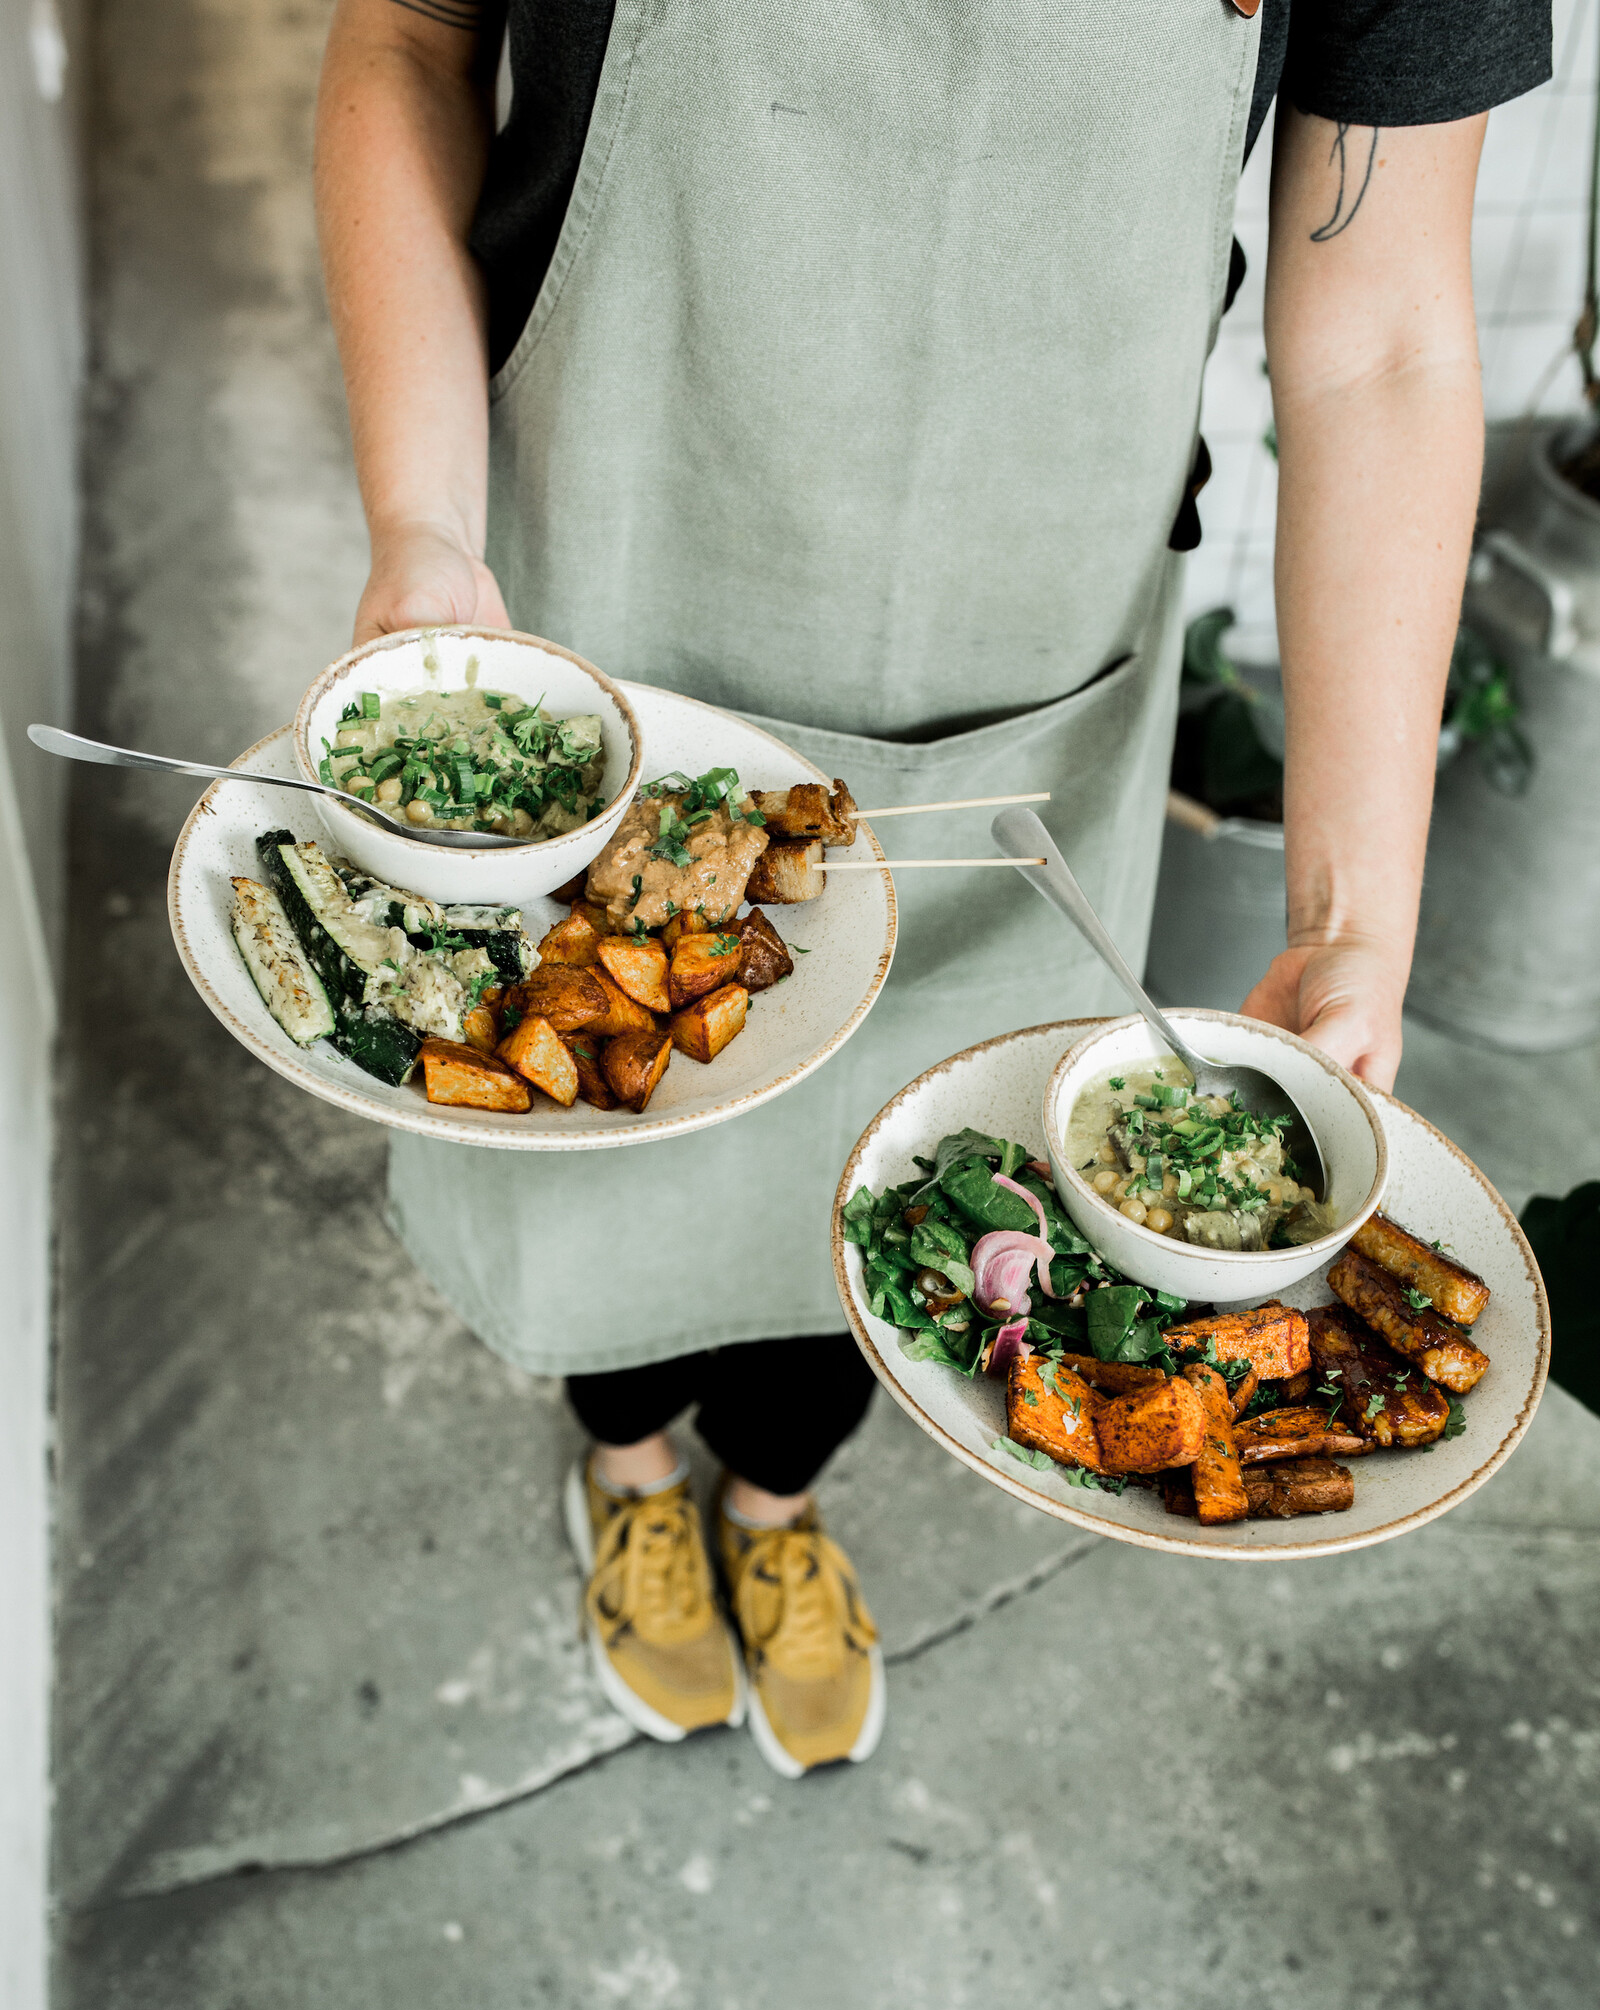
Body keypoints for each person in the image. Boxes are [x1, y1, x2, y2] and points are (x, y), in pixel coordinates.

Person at [314, 0, 1551, 1776]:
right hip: (609, 571)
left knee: (940, 1175)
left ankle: (773, 1492)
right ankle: (633, 1467)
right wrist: (421, 524)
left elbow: (1382, 340)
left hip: (1027, 673)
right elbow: (414, 36)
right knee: (607, 1133)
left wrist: (1354, 919)